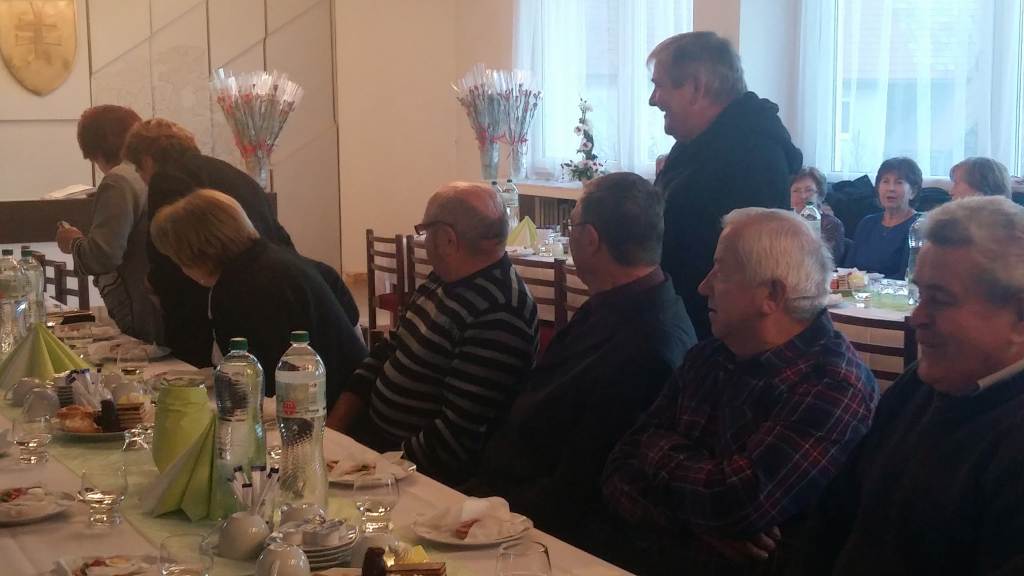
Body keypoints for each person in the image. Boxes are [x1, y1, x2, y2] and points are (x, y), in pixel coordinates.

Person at [600, 208, 877, 576]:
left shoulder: (833, 384)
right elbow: (617, 470)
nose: (703, 286)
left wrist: (656, 451)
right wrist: (701, 529)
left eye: (721, 271)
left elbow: (735, 503)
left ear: (772, 295)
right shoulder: (709, 355)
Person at [791, 197, 1024, 575]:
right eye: (920, 295)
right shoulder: (917, 385)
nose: (917, 319)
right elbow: (835, 515)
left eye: (940, 301)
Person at [474, 172, 697, 547]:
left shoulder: (648, 346)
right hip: (506, 489)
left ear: (591, 239)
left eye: (571, 226)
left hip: (537, 529)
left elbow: (580, 486)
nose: (570, 234)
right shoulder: (618, 302)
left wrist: (483, 510)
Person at [326, 182, 538, 486]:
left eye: (425, 231)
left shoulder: (500, 311)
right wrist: (333, 432)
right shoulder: (444, 278)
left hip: (414, 476)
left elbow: (454, 439)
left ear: (448, 240)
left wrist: (371, 470)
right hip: (372, 448)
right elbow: (387, 351)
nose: (423, 241)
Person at [123, 118, 358, 366]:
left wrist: (156, 286)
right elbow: (278, 233)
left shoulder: (167, 179)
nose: (142, 177)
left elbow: (170, 253)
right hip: (276, 275)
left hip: (224, 300)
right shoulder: (230, 171)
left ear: (147, 160)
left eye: (138, 169)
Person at [149, 188, 366, 408]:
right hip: (352, 397)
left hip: (325, 411)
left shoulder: (237, 289)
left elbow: (251, 385)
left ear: (195, 254)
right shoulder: (277, 260)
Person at [649, 31, 802, 340]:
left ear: (696, 87)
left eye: (659, 86)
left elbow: (752, 266)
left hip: (716, 337)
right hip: (683, 324)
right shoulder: (693, 144)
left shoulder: (754, 154)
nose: (653, 99)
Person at [56, 105, 163, 343]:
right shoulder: (147, 172)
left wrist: (73, 241)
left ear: (91, 149)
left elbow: (103, 256)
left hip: (141, 301)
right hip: (163, 297)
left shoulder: (118, 180)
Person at [842, 157, 922, 279]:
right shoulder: (867, 223)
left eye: (899, 182)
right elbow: (848, 270)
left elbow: (907, 277)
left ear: (913, 192)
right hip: (858, 290)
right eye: (885, 181)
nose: (891, 188)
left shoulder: (918, 226)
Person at [790, 167, 847, 262]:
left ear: (819, 194)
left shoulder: (831, 224)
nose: (803, 196)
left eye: (809, 190)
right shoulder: (783, 221)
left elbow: (827, 262)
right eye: (796, 191)